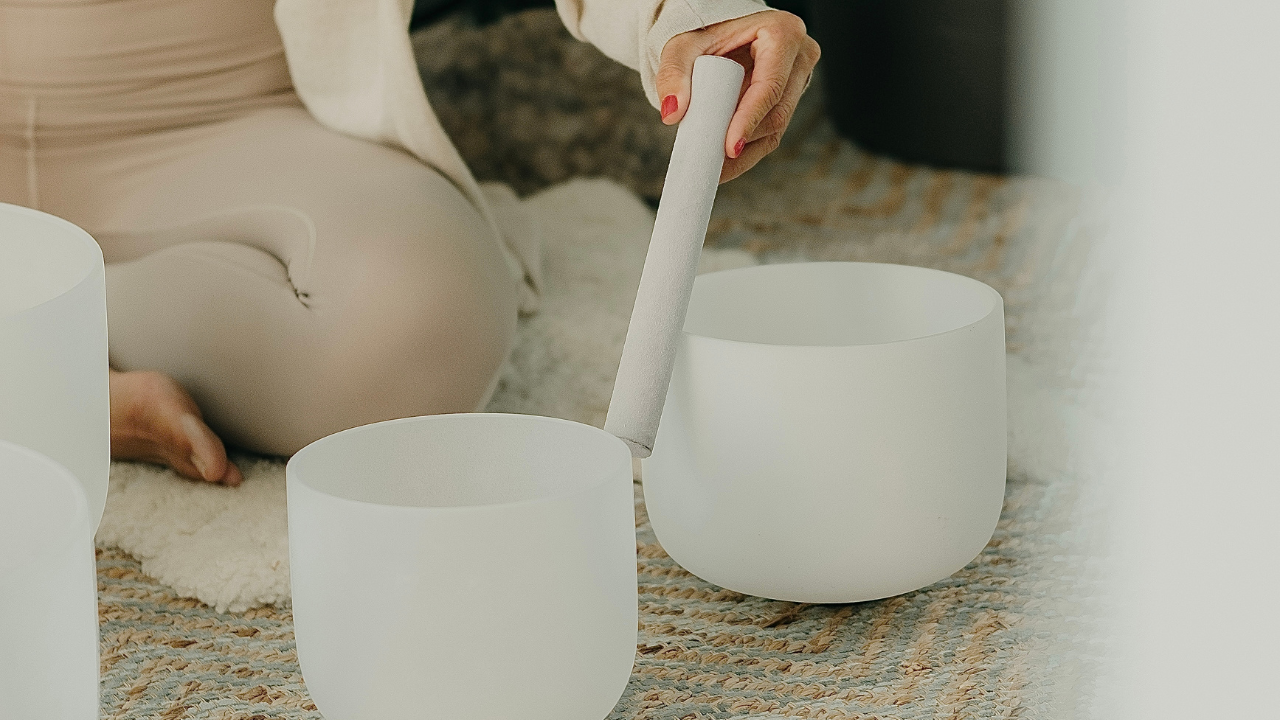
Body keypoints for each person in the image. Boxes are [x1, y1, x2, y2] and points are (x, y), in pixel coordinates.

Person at [0, 0, 819, 487]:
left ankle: (38, 345)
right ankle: (53, 390)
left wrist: (692, 17)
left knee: (424, 316)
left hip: (237, 126)